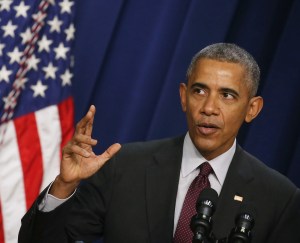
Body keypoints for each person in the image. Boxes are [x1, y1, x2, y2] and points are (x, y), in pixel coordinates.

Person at [18, 43, 300, 243]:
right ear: (182, 96)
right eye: (199, 90)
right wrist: (65, 186)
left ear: (252, 108)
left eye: (227, 95)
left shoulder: (279, 199)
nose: (209, 108)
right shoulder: (125, 167)